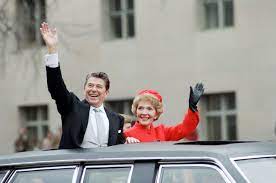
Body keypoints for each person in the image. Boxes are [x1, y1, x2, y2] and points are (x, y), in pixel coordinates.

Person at [40, 22, 125, 149]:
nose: (93, 89)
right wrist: (52, 49)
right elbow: (56, 88)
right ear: (84, 88)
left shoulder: (116, 119)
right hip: (76, 167)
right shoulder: (72, 107)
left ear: (106, 92)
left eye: (98, 87)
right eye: (90, 85)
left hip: (106, 168)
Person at [124, 83, 204, 143]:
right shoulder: (126, 135)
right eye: (140, 108)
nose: (144, 112)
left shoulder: (162, 132)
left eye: (149, 109)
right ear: (136, 111)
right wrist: (125, 143)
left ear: (156, 114)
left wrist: (192, 107)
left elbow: (184, 129)